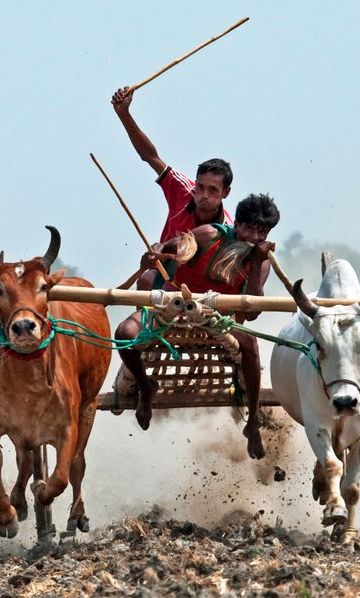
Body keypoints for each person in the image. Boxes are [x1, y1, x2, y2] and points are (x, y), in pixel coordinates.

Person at [115, 193, 280, 460]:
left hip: (219, 321)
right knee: (124, 335)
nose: (254, 237)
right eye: (249, 228)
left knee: (250, 345)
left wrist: (258, 261)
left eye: (262, 232)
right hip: (171, 308)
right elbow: (165, 248)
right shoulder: (208, 234)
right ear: (236, 224)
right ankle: (146, 387)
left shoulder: (261, 261)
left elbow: (253, 315)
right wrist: (153, 255)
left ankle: (252, 423)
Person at [111, 86, 235, 288]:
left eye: (213, 190)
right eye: (200, 187)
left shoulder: (228, 229)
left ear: (226, 193)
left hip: (201, 287)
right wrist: (124, 114)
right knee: (145, 280)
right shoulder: (183, 190)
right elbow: (150, 156)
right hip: (162, 275)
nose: (203, 195)